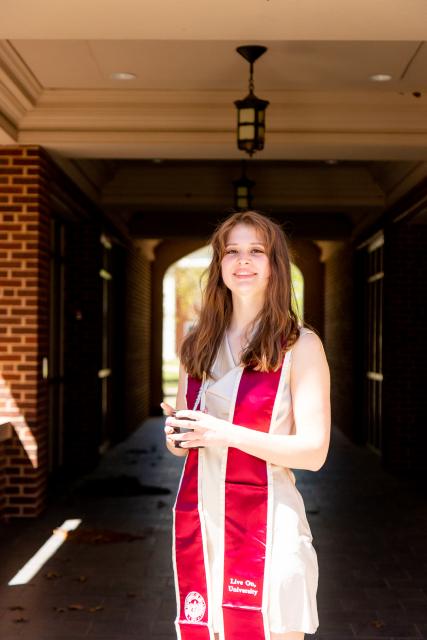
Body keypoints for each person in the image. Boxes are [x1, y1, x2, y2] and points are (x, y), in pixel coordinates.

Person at [161, 210, 331, 640]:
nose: (243, 261)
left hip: (269, 529)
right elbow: (186, 441)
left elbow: (315, 451)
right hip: (204, 520)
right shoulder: (196, 343)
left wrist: (223, 433)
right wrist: (178, 437)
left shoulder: (300, 345)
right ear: (219, 265)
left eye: (256, 251)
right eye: (232, 251)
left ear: (275, 264)